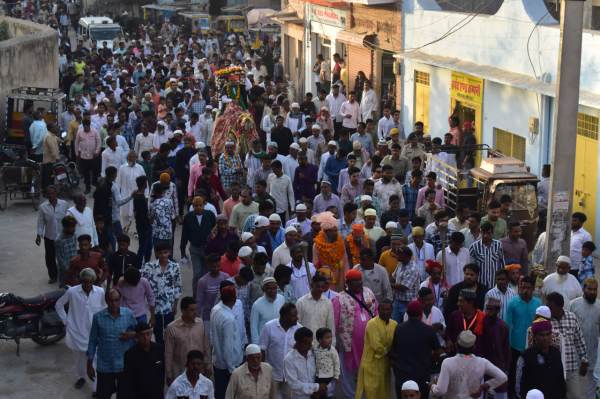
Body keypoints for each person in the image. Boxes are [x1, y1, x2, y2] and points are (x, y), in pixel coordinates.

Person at [55, 268, 106, 391]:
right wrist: (66, 321)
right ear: (81, 281)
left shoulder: (100, 292)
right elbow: (59, 305)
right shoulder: (72, 292)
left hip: (94, 333)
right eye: (85, 281)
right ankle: (81, 377)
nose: (87, 284)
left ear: (93, 281)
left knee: (94, 360)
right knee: (79, 358)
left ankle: (95, 388)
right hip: (76, 332)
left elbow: (105, 307)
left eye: (90, 282)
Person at [332, 269, 377, 399]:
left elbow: (376, 311)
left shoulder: (368, 292)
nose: (358, 283)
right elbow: (334, 321)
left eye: (360, 280)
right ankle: (351, 396)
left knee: (368, 370)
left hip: (368, 341)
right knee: (348, 372)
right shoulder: (339, 298)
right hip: (348, 343)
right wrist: (335, 342)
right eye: (355, 281)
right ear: (348, 283)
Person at [86, 289, 137, 399]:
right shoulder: (98, 317)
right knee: (103, 395)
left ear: (120, 300)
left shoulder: (128, 314)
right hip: (105, 365)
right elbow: (93, 340)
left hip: (125, 365)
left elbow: (138, 333)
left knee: (125, 395)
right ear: (106, 301)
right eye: (111, 300)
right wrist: (89, 364)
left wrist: (131, 335)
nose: (114, 303)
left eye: (116, 300)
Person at [430, 330, 507, 398]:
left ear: (456, 345)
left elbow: (440, 391)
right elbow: (502, 377)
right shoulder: (482, 362)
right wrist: (483, 386)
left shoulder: (448, 363)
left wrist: (432, 386)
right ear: (474, 347)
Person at [390, 300, 440, 397]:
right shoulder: (428, 330)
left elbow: (394, 351)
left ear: (407, 313)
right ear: (421, 313)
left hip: (402, 375)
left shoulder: (399, 328)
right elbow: (438, 351)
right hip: (422, 376)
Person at [504, 276, 542, 397]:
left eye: (528, 288)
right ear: (519, 287)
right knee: (514, 375)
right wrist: (508, 348)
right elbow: (508, 326)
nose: (525, 290)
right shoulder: (512, 303)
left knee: (532, 374)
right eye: (523, 287)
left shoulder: (538, 303)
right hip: (515, 346)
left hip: (532, 347)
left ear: (533, 289)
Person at [547, 291, 589, 399]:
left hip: (571, 368)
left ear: (560, 306)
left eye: (551, 307)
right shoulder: (546, 321)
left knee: (575, 396)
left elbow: (579, 340)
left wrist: (584, 360)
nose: (549, 310)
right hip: (553, 368)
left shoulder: (572, 317)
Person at [141, 242, 183, 345]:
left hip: (169, 305)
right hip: (155, 307)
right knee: (157, 333)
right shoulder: (149, 266)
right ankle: (159, 355)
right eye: (160, 253)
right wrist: (151, 313)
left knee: (170, 332)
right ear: (156, 253)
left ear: (169, 252)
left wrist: (175, 305)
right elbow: (144, 285)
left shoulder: (175, 267)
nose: (163, 255)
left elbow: (178, 286)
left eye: (165, 252)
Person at [165, 296, 212, 386]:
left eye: (196, 310)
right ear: (183, 311)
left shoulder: (200, 324)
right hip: (180, 372)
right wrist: (169, 374)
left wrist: (208, 364)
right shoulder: (172, 328)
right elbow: (168, 353)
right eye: (192, 310)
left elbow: (206, 346)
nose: (195, 313)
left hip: (199, 372)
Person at [356, 299, 397, 399]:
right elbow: (377, 345)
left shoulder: (394, 324)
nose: (385, 312)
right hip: (371, 363)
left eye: (388, 309)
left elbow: (395, 342)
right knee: (372, 392)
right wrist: (392, 354)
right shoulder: (372, 324)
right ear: (378, 310)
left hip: (385, 365)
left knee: (384, 392)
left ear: (392, 310)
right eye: (383, 309)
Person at [259, 302, 301, 398]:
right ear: (285, 316)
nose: (297, 318)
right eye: (294, 316)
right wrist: (262, 373)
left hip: (291, 377)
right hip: (272, 375)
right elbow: (262, 350)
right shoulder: (269, 327)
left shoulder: (299, 329)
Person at [516, 319, 566, 399]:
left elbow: (560, 380)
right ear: (534, 336)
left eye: (548, 334)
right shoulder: (526, 356)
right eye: (541, 335)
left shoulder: (556, 353)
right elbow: (519, 385)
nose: (545, 338)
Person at [568, 278, 600, 399]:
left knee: (590, 389)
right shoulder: (573, 304)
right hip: (575, 355)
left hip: (592, 354)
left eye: (595, 290)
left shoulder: (599, 306)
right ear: (583, 289)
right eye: (589, 289)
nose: (592, 292)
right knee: (575, 389)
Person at [211, 284, 244, 399]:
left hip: (218, 361)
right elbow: (228, 346)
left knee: (220, 393)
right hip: (228, 366)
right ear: (234, 299)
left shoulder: (215, 309)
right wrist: (231, 369)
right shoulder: (228, 319)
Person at [181, 196, 217, 294]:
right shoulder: (188, 217)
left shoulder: (209, 215)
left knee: (206, 273)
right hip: (195, 249)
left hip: (207, 249)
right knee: (197, 273)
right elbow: (184, 234)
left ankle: (205, 294)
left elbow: (215, 228)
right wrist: (182, 251)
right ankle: (195, 296)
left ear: (204, 205)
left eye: (200, 205)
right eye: (196, 206)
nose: (198, 208)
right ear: (192, 206)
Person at [121, 322, 165, 399]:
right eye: (142, 335)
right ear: (137, 337)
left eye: (148, 334)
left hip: (156, 393)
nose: (146, 337)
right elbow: (127, 380)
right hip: (138, 394)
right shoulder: (130, 354)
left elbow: (162, 371)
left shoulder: (159, 349)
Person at [36, 185, 69, 283]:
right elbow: (41, 222)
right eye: (48, 194)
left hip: (63, 237)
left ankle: (65, 275)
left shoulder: (64, 204)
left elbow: (69, 219)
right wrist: (38, 235)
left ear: (56, 194)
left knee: (63, 257)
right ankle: (53, 276)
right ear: (46, 195)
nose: (51, 195)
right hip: (49, 237)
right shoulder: (43, 207)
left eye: (52, 193)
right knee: (50, 258)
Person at [480, 297, 510, 399]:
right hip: (482, 365)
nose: (488, 311)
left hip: (498, 365)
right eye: (487, 308)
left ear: (497, 310)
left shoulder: (503, 326)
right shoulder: (481, 323)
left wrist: (506, 367)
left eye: (491, 309)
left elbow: (506, 350)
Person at [284, 327, 324, 399]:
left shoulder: (314, 353)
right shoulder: (289, 359)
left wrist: (319, 390)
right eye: (306, 343)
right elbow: (294, 385)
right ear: (297, 342)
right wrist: (316, 387)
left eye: (310, 342)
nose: (309, 346)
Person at [296, 274, 335, 343]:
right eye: (317, 286)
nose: (320, 289)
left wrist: (332, 343)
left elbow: (330, 325)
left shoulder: (328, 303)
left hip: (322, 344)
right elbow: (297, 324)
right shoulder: (301, 302)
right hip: (304, 343)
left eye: (322, 287)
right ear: (312, 285)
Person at [196, 253, 230, 328]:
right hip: (208, 317)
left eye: (218, 266)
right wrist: (197, 318)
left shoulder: (226, 277)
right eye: (213, 267)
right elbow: (199, 301)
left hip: (223, 316)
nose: (216, 269)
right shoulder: (203, 281)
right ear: (208, 265)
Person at [469, 222, 505, 290]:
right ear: (480, 232)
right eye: (483, 233)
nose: (485, 236)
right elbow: (471, 267)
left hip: (495, 285)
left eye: (488, 233)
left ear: (492, 233)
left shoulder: (498, 245)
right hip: (480, 285)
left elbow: (502, 263)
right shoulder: (474, 246)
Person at [250, 277, 285, 344]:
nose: (272, 291)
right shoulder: (257, 305)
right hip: (264, 342)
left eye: (274, 288)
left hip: (280, 340)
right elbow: (253, 327)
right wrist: (257, 346)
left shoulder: (281, 299)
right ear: (264, 289)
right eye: (269, 288)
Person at [391, 246, 420, 322]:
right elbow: (393, 276)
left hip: (408, 304)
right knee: (395, 325)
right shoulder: (400, 264)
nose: (397, 256)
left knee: (406, 327)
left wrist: (388, 285)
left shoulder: (413, 269)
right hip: (397, 301)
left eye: (400, 254)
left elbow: (404, 287)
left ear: (407, 256)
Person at [312, 327, 340, 399]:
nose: (330, 339)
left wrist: (336, 376)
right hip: (318, 377)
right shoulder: (315, 350)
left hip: (329, 377)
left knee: (329, 393)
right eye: (327, 337)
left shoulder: (332, 350)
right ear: (319, 340)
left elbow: (336, 363)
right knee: (320, 393)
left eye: (331, 337)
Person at [55, 215, 79, 287]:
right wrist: (68, 270)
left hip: (74, 268)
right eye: (72, 227)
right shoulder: (59, 240)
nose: (74, 229)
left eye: (74, 226)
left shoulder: (74, 235)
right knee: (64, 289)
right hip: (65, 271)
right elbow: (60, 259)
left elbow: (75, 251)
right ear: (65, 227)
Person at [570, 212, 592, 278]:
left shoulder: (586, 235)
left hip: (576, 268)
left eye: (574, 220)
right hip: (566, 265)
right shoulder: (568, 233)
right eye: (572, 220)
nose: (572, 222)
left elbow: (588, 254)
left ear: (581, 222)